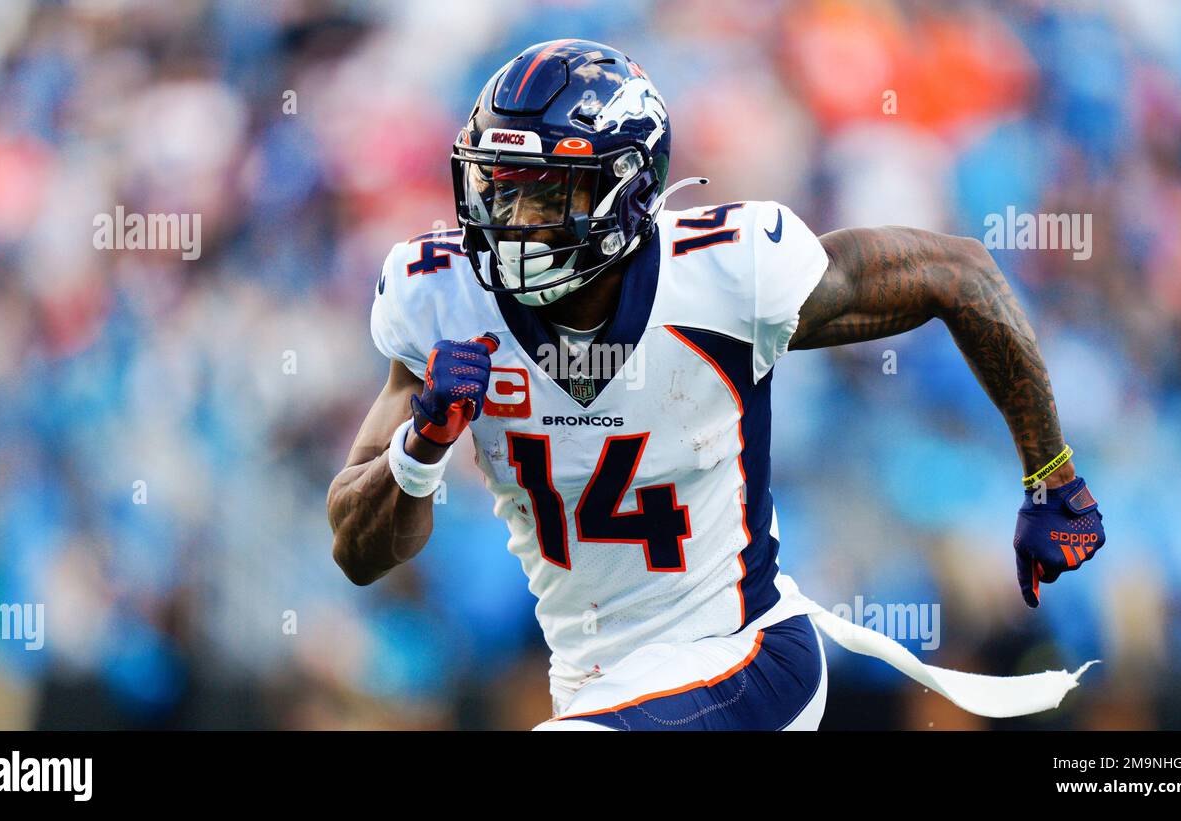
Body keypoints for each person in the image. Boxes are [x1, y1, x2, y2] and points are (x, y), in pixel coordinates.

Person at [326, 39, 1106, 730]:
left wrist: (1051, 475)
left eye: (546, 191)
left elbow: (957, 272)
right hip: (595, 690)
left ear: (624, 192)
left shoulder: (729, 275)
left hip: (748, 659)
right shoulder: (442, 300)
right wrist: (420, 447)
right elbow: (358, 552)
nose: (513, 218)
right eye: (501, 186)